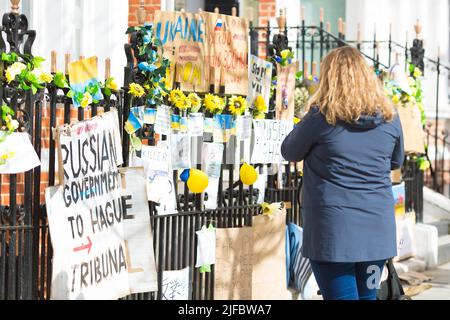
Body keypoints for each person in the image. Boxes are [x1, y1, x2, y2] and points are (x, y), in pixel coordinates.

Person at [281, 46, 404, 300]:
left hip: (333, 234)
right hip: (376, 233)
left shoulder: (321, 117)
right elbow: (395, 161)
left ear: (329, 78)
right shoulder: (390, 117)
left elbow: (289, 151)